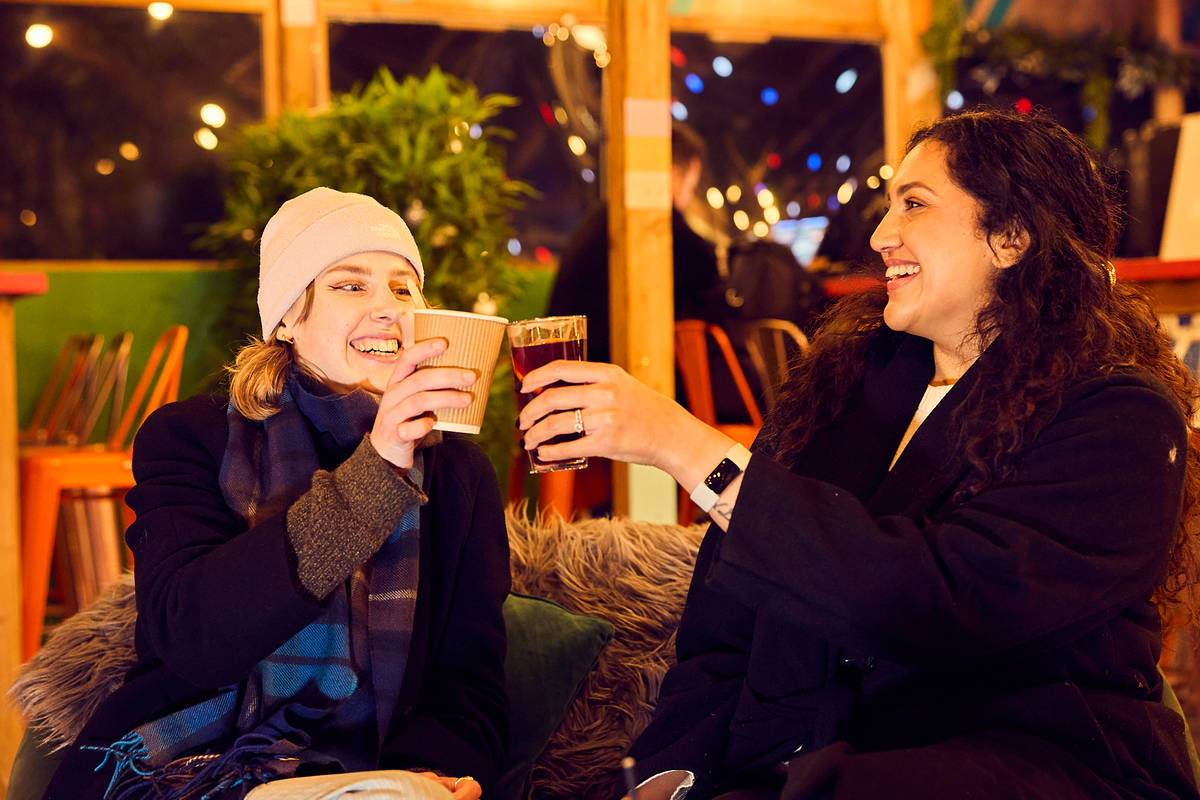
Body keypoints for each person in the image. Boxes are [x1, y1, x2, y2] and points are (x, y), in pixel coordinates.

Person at [517, 110, 1200, 799]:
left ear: (1011, 236)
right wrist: (671, 776)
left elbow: (939, 603)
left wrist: (688, 448)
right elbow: (726, 625)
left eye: (914, 204)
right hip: (800, 765)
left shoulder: (1120, 416)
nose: (880, 236)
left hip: (1031, 767)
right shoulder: (839, 386)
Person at [43, 188, 510, 800]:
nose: (388, 310)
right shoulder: (192, 438)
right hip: (193, 769)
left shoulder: (459, 474)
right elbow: (195, 640)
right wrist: (378, 470)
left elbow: (468, 688)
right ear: (288, 317)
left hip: (374, 780)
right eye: (350, 285)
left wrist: (423, 775)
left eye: (403, 289)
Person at [547, 121, 728, 366]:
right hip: (599, 374)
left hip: (566, 366)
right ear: (674, 174)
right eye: (691, 187)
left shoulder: (604, 215)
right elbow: (708, 276)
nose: (688, 199)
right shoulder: (655, 221)